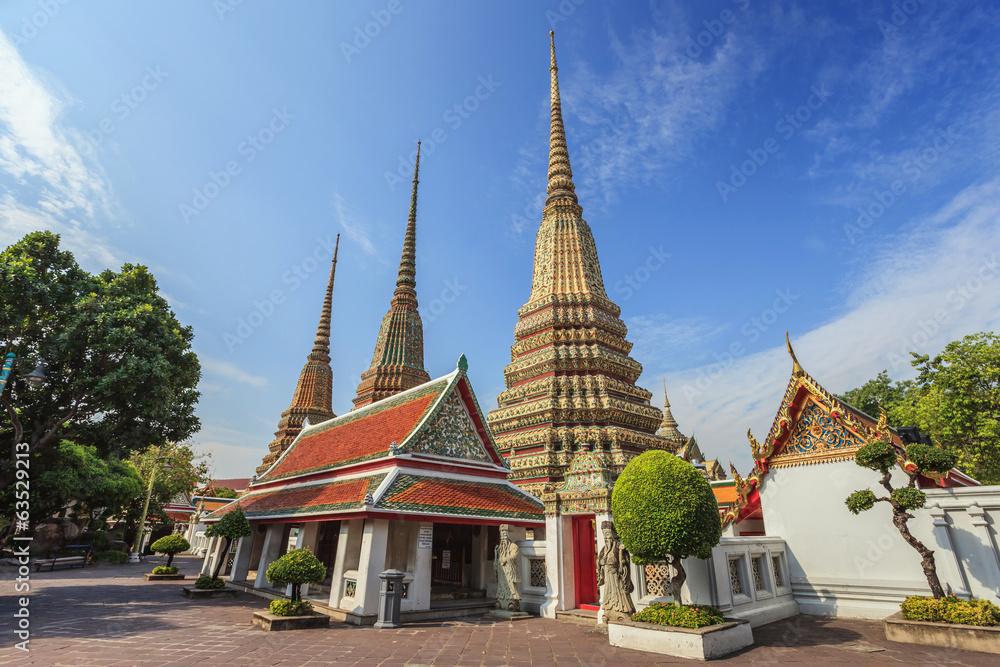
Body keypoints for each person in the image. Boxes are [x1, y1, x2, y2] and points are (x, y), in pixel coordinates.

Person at [597, 521, 635, 623]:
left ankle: (622, 611)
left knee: (620, 593)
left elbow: (626, 561)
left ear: (613, 535)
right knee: (608, 594)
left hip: (617, 576)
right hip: (608, 576)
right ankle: (608, 612)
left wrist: (622, 563)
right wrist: (601, 563)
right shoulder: (604, 549)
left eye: (608, 534)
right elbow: (599, 561)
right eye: (604, 534)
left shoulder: (619, 548)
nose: (606, 537)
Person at [495, 524, 521, 611]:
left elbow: (514, 557)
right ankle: (501, 600)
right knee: (501, 585)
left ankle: (512, 601)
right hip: (502, 571)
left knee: (511, 586)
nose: (503, 536)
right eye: (501, 534)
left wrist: (505, 559)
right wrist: (497, 559)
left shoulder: (514, 547)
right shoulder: (500, 548)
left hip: (509, 571)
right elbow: (497, 559)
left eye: (505, 534)